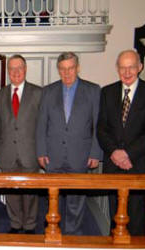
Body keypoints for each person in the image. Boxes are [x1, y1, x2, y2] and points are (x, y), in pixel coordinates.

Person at [97, 49, 145, 236]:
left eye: (131, 67)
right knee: (115, 218)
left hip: (138, 165)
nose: (127, 73)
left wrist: (128, 154)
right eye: (122, 68)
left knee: (136, 220)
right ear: (117, 69)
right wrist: (115, 153)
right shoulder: (107, 92)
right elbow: (101, 128)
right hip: (113, 165)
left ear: (140, 67)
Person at [36, 52, 101, 235]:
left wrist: (95, 153)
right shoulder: (48, 91)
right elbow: (41, 124)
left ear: (78, 68)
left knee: (76, 200)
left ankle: (73, 236)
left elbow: (97, 124)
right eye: (63, 69)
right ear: (58, 70)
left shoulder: (93, 90)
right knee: (52, 198)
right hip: (52, 155)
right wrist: (41, 151)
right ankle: (53, 233)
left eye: (71, 68)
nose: (67, 73)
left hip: (80, 155)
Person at [0, 54, 42, 234]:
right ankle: (15, 223)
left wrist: (42, 152)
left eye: (19, 68)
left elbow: (42, 126)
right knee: (11, 192)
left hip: (30, 152)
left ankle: (29, 225)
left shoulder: (38, 93)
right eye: (12, 68)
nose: (15, 72)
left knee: (30, 193)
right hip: (7, 153)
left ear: (25, 69)